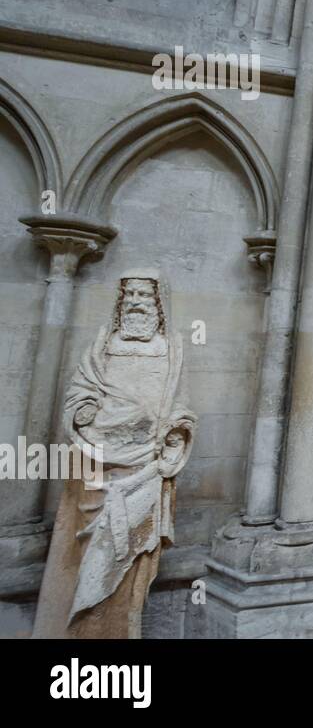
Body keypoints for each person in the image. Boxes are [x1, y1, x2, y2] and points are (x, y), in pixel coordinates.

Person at [33, 269, 196, 638]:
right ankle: (82, 628)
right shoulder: (103, 343)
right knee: (90, 551)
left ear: (158, 303)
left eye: (145, 295)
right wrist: (82, 410)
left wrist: (175, 435)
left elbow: (181, 409)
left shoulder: (172, 347)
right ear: (121, 300)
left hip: (145, 470)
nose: (137, 302)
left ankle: (120, 627)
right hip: (97, 461)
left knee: (129, 555)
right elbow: (81, 389)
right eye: (131, 294)